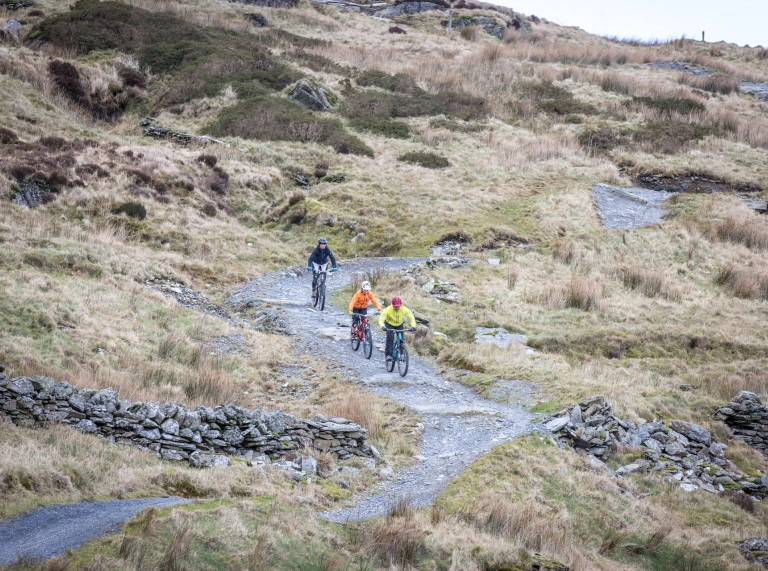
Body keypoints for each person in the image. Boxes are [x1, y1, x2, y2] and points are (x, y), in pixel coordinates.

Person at [378, 296, 416, 363]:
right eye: (395, 306)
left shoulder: (404, 309)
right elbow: (381, 319)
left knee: (401, 339)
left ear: (401, 305)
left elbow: (411, 317)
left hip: (399, 324)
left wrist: (413, 326)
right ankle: (388, 355)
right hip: (389, 324)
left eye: (398, 306)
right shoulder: (388, 309)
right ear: (392, 305)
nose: (397, 307)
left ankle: (402, 354)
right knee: (390, 337)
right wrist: (383, 327)